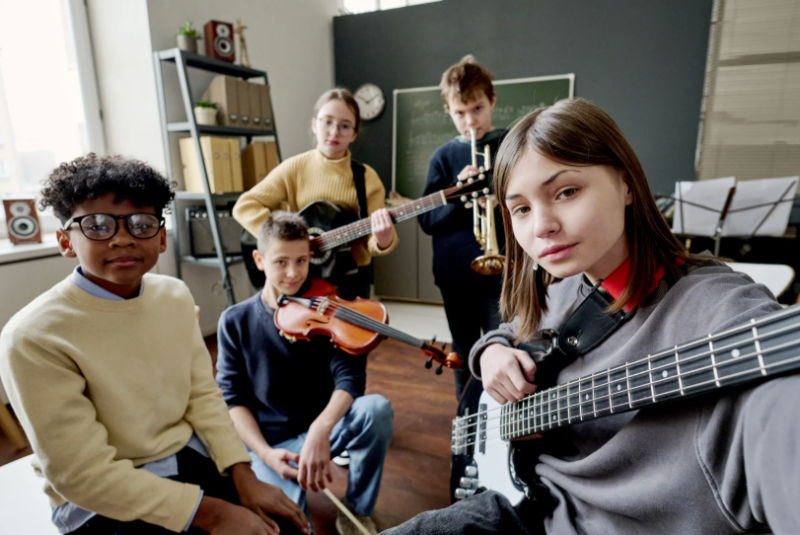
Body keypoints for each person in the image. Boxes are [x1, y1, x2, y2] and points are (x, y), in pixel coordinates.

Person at [382, 98, 800, 535]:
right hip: (535, 503)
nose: (541, 225)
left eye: (566, 192)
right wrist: (491, 352)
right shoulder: (565, 287)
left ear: (626, 184)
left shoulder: (715, 304)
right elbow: (510, 330)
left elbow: (776, 416)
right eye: (521, 208)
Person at [0, 154, 310, 535]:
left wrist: (242, 472)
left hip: (184, 458)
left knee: (286, 525)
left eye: (141, 223)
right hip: (100, 499)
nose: (123, 237)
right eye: (96, 225)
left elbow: (202, 393)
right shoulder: (32, 336)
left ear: (161, 237)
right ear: (66, 240)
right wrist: (218, 514)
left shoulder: (174, 296)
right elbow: (83, 476)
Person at [215, 211, 394, 535]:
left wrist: (320, 430)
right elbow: (232, 399)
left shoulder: (328, 309)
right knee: (293, 527)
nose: (293, 273)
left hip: (325, 429)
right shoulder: (234, 320)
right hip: (274, 443)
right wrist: (267, 455)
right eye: (281, 262)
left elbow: (351, 378)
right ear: (259, 260)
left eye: (301, 261)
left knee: (376, 409)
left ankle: (358, 508)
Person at [233, 88, 397, 299]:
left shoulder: (366, 178)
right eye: (327, 121)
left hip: (350, 282)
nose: (334, 131)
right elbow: (245, 206)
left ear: (354, 133)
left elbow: (371, 244)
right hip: (303, 279)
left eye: (345, 126)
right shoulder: (294, 168)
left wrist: (383, 239)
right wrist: (286, 239)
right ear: (314, 124)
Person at [418, 55, 506, 400]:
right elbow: (428, 221)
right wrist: (457, 194)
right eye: (460, 113)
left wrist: (505, 199)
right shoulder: (442, 158)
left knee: (503, 349)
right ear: (448, 110)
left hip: (502, 274)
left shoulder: (510, 143)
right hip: (455, 277)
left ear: (492, 101)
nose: (470, 122)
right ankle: (467, 426)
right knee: (466, 351)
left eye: (478, 109)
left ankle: (504, 429)